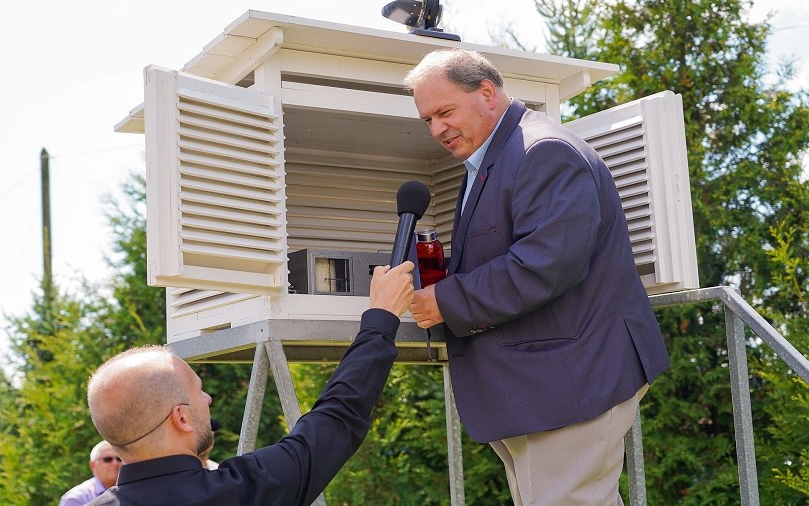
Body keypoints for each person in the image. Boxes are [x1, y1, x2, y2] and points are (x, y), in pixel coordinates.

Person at [404, 48, 670, 505]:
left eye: (444, 112)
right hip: (545, 384)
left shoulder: (542, 150)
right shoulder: (496, 159)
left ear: (487, 93)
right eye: (427, 119)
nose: (437, 129)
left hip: (573, 378)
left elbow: (544, 265)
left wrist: (446, 301)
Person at [85, 261, 415, 506]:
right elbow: (337, 416)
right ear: (181, 418)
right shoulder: (242, 492)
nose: (208, 399)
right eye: (198, 392)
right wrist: (382, 316)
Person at [59, 440, 122, 506]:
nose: (115, 463)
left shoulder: (132, 492)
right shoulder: (75, 499)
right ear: (93, 465)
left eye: (119, 459)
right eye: (107, 459)